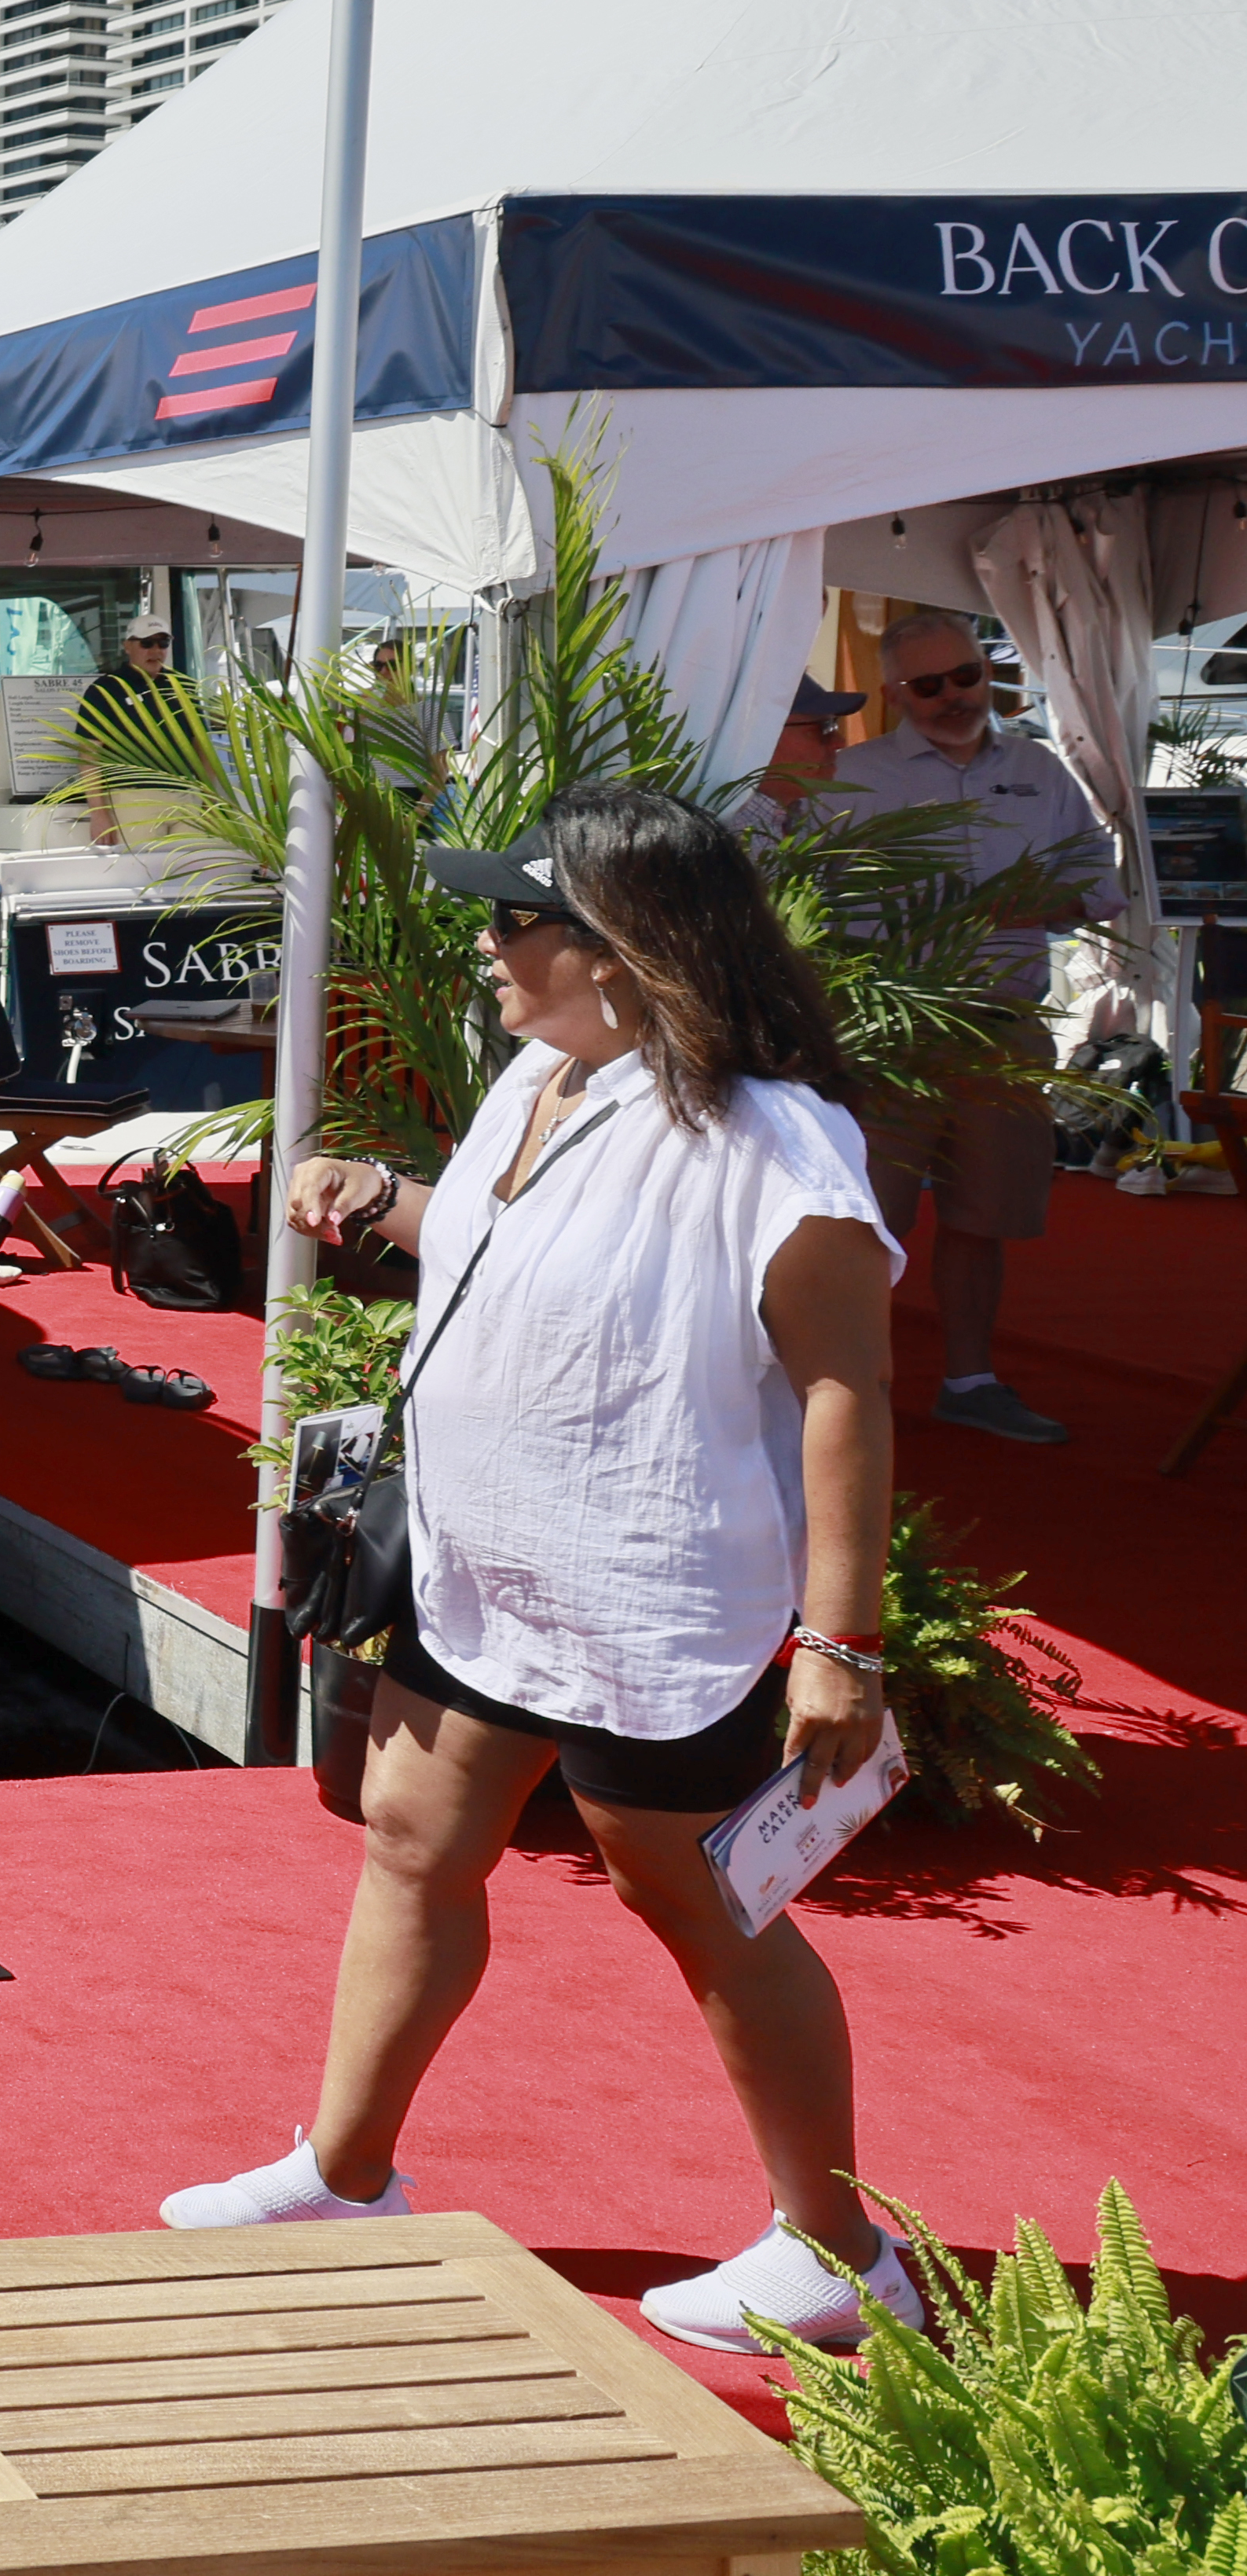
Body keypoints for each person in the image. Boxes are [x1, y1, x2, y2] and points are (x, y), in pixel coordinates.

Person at [172, 783, 923, 2354]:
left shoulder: (775, 1136)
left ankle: (843, 2256)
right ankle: (346, 2167)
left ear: (630, 948)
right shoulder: (548, 1071)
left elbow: (848, 1384)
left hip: (655, 1590)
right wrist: (391, 1199)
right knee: (408, 1837)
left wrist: (839, 1638)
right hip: (482, 1560)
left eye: (521, 917)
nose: (487, 943)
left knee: (704, 1903)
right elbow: (530, 1251)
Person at [823, 610, 1120, 1445]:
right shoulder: (853, 775)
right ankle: (842, 1390)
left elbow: (1099, 885)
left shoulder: (1041, 770)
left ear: (987, 672)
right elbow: (796, 903)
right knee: (859, 1221)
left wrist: (1013, 906)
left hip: (1000, 1028)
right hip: (883, 1032)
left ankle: (971, 1380)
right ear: (895, 693)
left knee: (984, 1215)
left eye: (966, 676)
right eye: (928, 685)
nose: (952, 696)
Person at [73, 616, 185, 847]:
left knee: (194, 878)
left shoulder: (182, 687)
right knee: (141, 877)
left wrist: (209, 798)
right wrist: (99, 813)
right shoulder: (106, 689)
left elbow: (200, 746)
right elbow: (88, 754)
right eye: (147, 643)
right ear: (128, 646)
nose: (156, 650)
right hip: (134, 798)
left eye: (163, 643)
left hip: (186, 797)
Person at [726, 676, 860, 840]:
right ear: (755, 735)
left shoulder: (797, 818)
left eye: (833, 724)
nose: (840, 742)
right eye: (824, 728)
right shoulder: (726, 837)